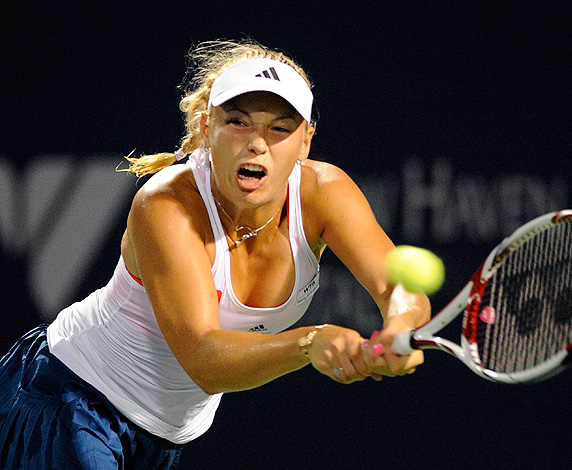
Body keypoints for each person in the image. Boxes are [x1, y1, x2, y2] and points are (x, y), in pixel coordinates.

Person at [0, 39, 431, 469]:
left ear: (306, 143)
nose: (258, 143)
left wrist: (400, 326)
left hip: (165, 436)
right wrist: (308, 343)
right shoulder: (166, 205)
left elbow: (397, 286)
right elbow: (204, 358)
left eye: (281, 128)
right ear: (207, 129)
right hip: (70, 398)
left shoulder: (325, 192)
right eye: (239, 122)